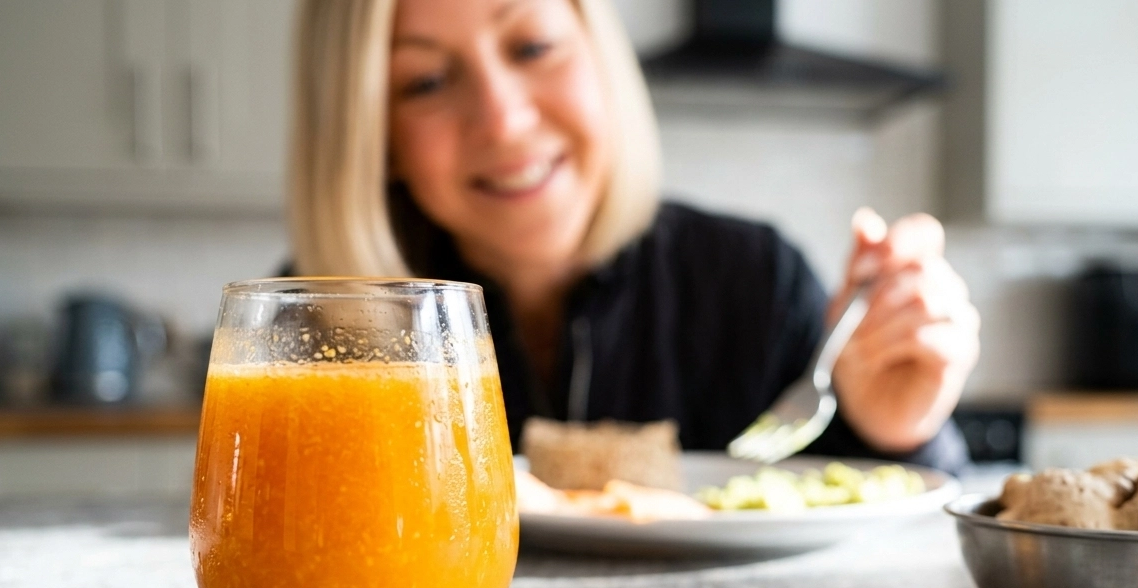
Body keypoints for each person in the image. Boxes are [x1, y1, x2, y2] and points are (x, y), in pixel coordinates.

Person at [287, 0, 981, 473]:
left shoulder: (754, 281)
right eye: (427, 80)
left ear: (600, 60)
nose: (501, 121)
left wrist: (897, 433)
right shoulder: (307, 325)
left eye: (531, 45)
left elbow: (892, 578)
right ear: (374, 137)